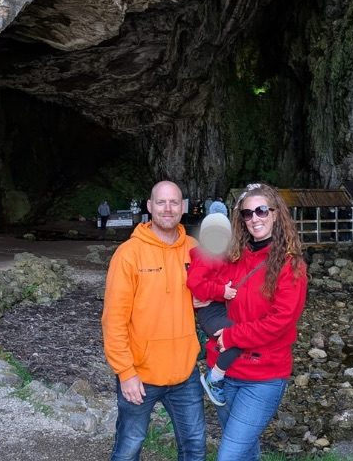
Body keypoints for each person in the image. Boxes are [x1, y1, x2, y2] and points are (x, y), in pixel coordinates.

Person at [101, 181, 205, 461]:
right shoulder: (129, 254)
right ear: (149, 207)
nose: (168, 209)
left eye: (174, 202)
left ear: (183, 207)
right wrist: (125, 372)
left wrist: (206, 299)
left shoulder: (194, 249)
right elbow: (114, 319)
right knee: (128, 448)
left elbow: (211, 295)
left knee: (195, 448)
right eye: (161, 202)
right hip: (141, 375)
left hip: (185, 374)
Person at [206, 183, 307, 461]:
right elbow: (207, 281)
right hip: (224, 371)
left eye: (262, 210)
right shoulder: (234, 256)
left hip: (263, 377)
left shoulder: (290, 265)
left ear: (276, 214)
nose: (255, 218)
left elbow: (281, 321)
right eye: (247, 214)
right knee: (245, 450)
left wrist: (232, 336)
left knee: (229, 455)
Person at [187, 211, 238, 407]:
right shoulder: (205, 255)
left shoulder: (224, 256)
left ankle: (217, 373)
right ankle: (214, 377)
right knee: (235, 337)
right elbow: (194, 282)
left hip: (218, 309)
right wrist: (221, 292)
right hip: (210, 312)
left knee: (237, 335)